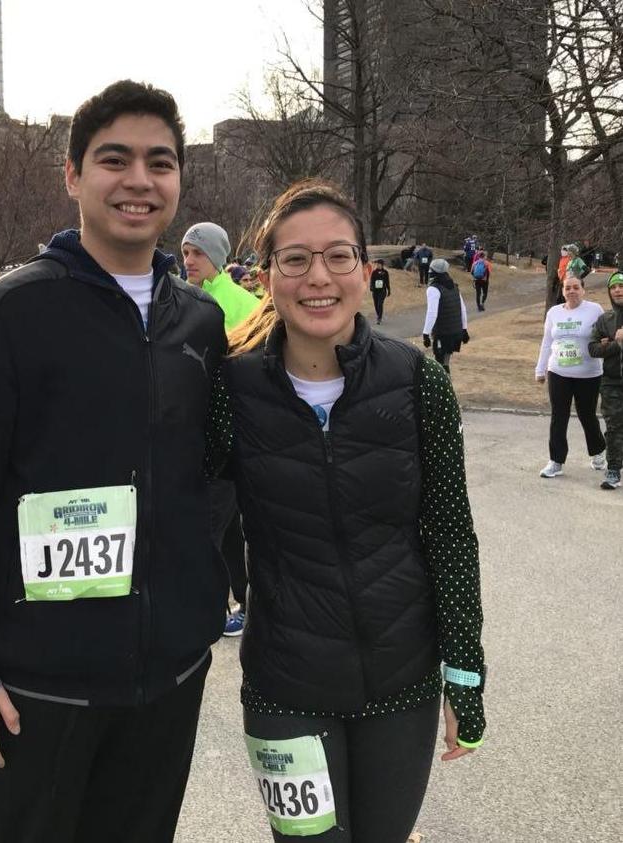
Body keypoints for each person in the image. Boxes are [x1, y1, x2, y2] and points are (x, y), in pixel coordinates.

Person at [0, 80, 228, 843]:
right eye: (113, 159)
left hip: (169, 675)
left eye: (159, 162)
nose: (138, 180)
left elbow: (216, 477)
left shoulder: (201, 320)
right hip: (35, 687)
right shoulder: (11, 314)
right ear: (72, 175)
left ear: (179, 181)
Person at [217, 179, 485, 843]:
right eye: (295, 259)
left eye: (337, 257)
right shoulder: (229, 387)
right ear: (267, 275)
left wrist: (464, 676)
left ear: (365, 273)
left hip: (401, 683)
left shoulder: (417, 381)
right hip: (284, 685)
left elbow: (450, 534)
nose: (318, 277)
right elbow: (188, 516)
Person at [182, 221, 261, 635]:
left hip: (230, 438)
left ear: (215, 256)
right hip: (204, 437)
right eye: (185, 253)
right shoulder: (192, 299)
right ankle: (247, 604)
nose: (188, 260)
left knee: (208, 531)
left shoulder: (239, 303)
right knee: (230, 533)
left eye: (196, 253)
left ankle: (210, 614)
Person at [534, 274, 606, 478]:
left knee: (587, 415)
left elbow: (604, 336)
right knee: (559, 416)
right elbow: (547, 342)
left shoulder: (594, 310)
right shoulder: (554, 313)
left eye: (576, 287)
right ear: (563, 291)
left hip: (588, 374)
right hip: (558, 372)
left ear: (583, 290)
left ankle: (598, 451)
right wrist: (540, 369)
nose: (572, 291)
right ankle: (556, 461)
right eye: (568, 288)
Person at [588, 271, 623, 489]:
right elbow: (592, 348)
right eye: (613, 287)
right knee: (613, 426)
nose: (618, 290)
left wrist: (607, 343)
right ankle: (613, 469)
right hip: (611, 382)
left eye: (621, 286)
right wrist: (615, 343)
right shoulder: (604, 319)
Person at [422, 258, 469, 376]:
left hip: (442, 332)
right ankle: (446, 381)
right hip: (455, 330)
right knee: (445, 360)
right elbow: (462, 308)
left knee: (439, 362)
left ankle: (442, 387)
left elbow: (432, 313)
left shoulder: (434, 288)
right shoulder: (453, 285)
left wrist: (425, 333)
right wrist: (464, 329)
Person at [369, 258, 390, 324]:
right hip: (375, 291)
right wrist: (371, 287)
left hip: (382, 291)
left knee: (379, 304)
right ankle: (378, 315)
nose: (378, 265)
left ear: (382, 265)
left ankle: (379, 318)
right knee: (376, 305)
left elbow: (387, 282)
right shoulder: (374, 272)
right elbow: (372, 281)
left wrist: (389, 290)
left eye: (379, 264)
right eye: (377, 264)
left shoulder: (385, 272)